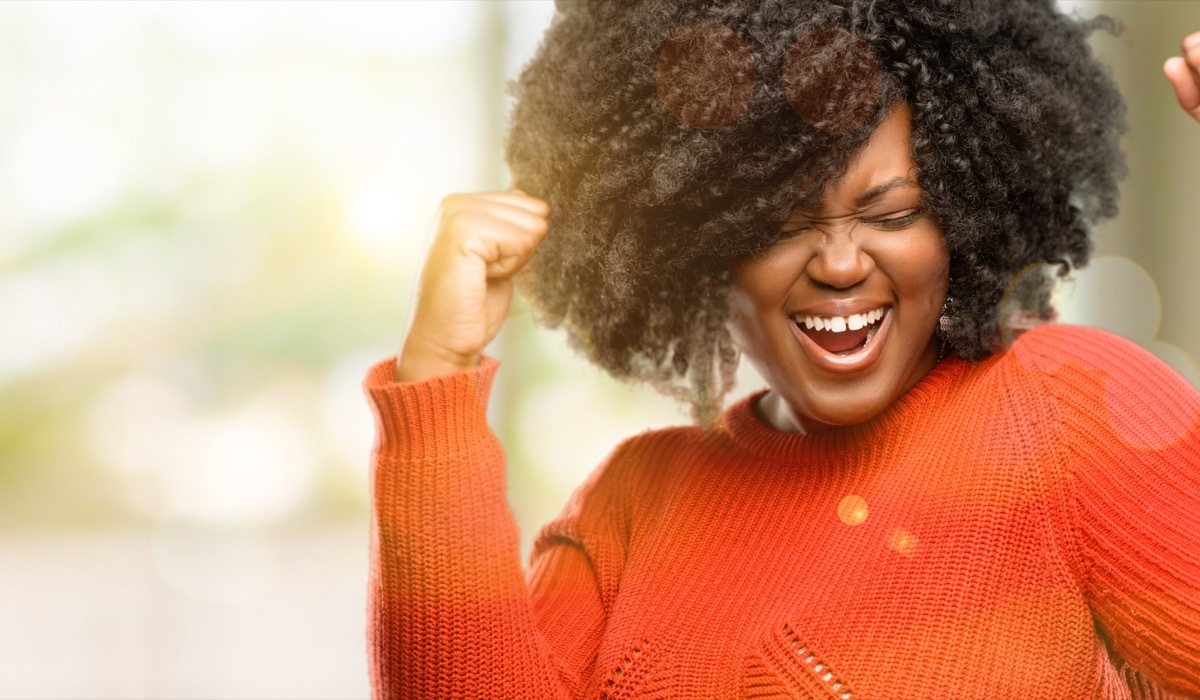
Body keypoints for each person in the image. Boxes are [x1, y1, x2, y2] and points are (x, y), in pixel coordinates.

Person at [365, 1, 1200, 697]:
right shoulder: (634, 503)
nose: (840, 264)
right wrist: (435, 374)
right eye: (778, 224)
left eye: (893, 213)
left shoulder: (1067, 412)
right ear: (692, 242)